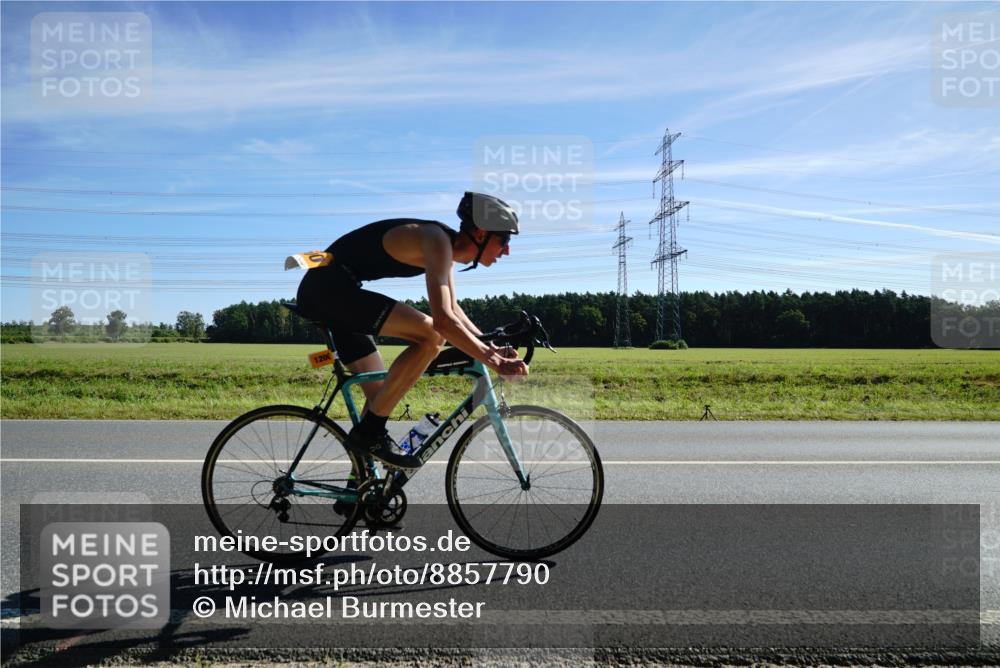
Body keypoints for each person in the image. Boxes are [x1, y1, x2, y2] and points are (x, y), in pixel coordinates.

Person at [295, 192, 529, 467]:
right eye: (504, 240)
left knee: (382, 396)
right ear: (481, 233)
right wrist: (493, 360)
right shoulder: (437, 241)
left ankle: (362, 492)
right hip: (328, 292)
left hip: (337, 293)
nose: (508, 250)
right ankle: (368, 435)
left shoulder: (445, 250)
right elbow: (443, 322)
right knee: (431, 335)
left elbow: (453, 310)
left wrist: (490, 347)